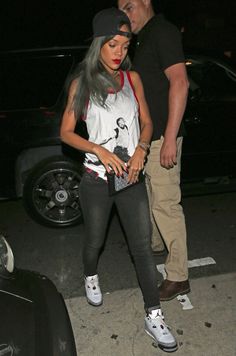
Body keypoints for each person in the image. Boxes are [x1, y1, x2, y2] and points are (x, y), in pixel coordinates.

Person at [60, 7, 178, 353]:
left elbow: (147, 122)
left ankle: (153, 314)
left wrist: (142, 148)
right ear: (99, 44)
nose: (119, 53)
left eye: (125, 47)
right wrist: (97, 148)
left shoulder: (132, 79)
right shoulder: (82, 82)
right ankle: (90, 274)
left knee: (141, 247)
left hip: (130, 178)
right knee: (95, 240)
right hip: (96, 179)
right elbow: (66, 132)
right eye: (112, 45)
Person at [118, 0, 190, 301]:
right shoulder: (143, 37)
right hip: (149, 138)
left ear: (146, 1)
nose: (125, 14)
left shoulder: (163, 31)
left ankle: (178, 277)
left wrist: (170, 137)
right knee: (149, 197)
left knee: (166, 204)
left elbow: (180, 82)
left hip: (163, 136)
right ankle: (156, 244)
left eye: (129, 6)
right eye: (121, 9)